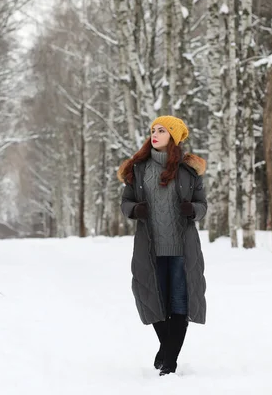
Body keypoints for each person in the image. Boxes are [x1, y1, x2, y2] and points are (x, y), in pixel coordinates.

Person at [117, 115, 208, 376]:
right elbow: (125, 203)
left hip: (182, 248)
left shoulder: (189, 171)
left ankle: (169, 362)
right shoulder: (138, 169)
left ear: (174, 136)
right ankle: (166, 347)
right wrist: (136, 209)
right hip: (150, 247)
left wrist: (194, 210)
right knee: (153, 298)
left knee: (180, 302)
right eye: (153, 130)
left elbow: (203, 204)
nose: (154, 134)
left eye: (162, 130)